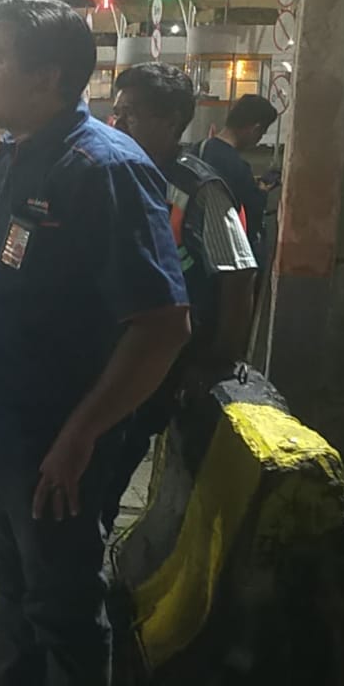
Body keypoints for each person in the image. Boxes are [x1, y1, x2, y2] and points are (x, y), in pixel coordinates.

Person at [0, 0, 191, 686]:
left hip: (56, 444)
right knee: (12, 589)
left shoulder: (106, 169)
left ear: (47, 75)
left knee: (65, 607)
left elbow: (163, 325)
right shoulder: (9, 157)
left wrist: (81, 437)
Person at [101, 63, 258, 534]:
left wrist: (217, 361)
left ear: (170, 121)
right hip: (109, 347)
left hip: (160, 360)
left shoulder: (199, 188)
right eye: (116, 112)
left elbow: (239, 274)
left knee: (108, 465)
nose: (117, 123)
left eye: (131, 114)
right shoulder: (113, 171)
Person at [195, 93, 279, 266]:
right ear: (255, 129)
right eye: (261, 133)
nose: (258, 140)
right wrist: (261, 192)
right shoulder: (238, 166)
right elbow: (251, 220)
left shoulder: (199, 149)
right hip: (224, 259)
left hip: (194, 249)